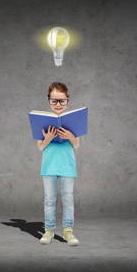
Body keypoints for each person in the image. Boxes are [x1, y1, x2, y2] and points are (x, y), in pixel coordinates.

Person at [36, 82, 80, 246]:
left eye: (62, 101)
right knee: (49, 199)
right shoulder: (43, 121)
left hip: (67, 167)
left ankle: (68, 232)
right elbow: (40, 147)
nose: (58, 104)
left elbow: (76, 145)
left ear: (68, 100)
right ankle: (49, 231)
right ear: (49, 101)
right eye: (54, 101)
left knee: (68, 199)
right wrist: (47, 139)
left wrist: (70, 136)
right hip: (48, 167)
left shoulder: (73, 121)